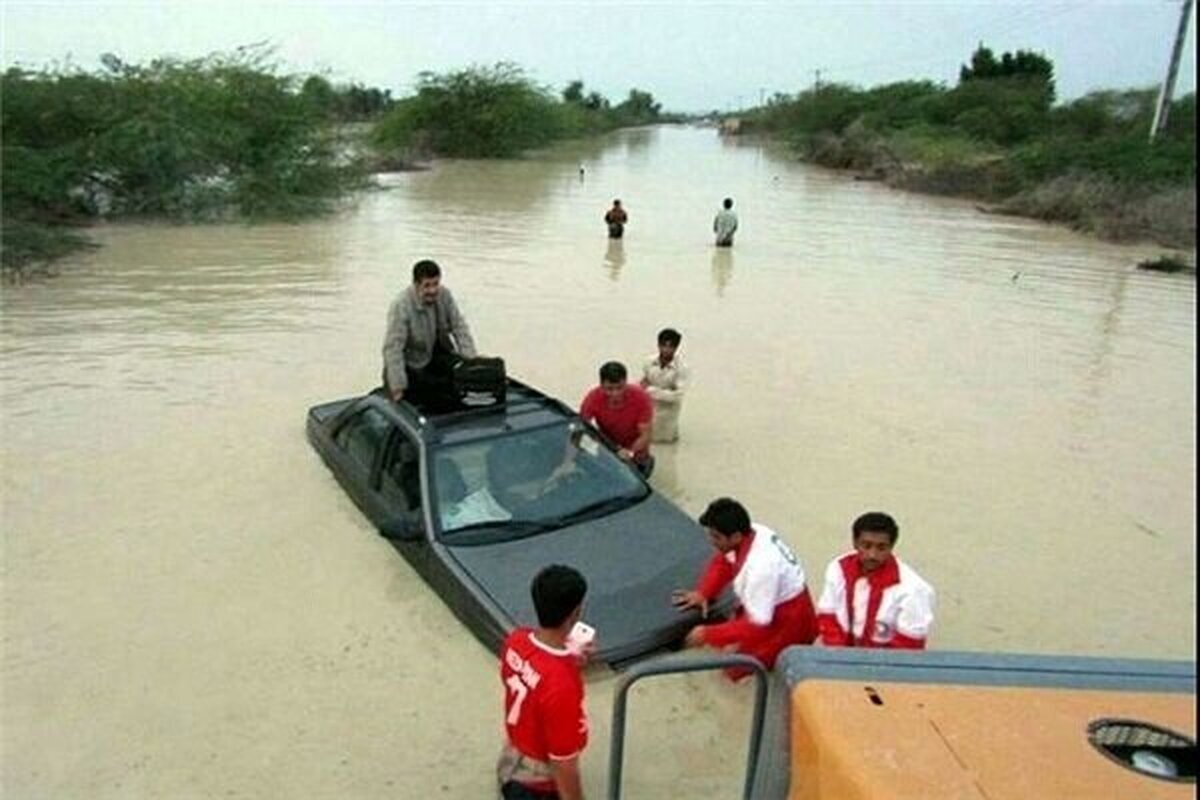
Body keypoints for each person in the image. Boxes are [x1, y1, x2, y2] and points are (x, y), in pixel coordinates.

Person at [672, 497, 818, 676]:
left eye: (716, 536)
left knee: (736, 670)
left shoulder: (761, 568)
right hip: (775, 602)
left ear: (735, 536)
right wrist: (704, 592)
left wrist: (707, 634)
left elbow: (758, 624)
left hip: (787, 618)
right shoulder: (753, 531)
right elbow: (724, 562)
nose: (711, 541)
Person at [498, 565, 592, 800]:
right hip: (538, 784)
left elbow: (534, 677)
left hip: (512, 755)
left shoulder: (515, 641)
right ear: (575, 613)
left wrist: (571, 662)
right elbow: (564, 764)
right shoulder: (561, 687)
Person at [816, 512, 936, 649]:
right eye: (866, 546)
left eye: (881, 548)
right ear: (855, 543)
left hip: (887, 666)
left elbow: (908, 647)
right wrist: (841, 660)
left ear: (892, 546)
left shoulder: (914, 589)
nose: (872, 555)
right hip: (842, 659)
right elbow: (828, 618)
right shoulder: (838, 568)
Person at [381, 259, 477, 411]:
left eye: (436, 284)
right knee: (430, 398)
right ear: (416, 285)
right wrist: (397, 386)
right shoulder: (401, 306)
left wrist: (472, 362)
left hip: (436, 355)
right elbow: (393, 348)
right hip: (411, 364)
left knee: (460, 383)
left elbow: (459, 328)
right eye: (427, 286)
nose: (432, 290)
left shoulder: (445, 295)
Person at [579, 361, 654, 477]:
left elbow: (646, 435)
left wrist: (629, 452)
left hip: (635, 452)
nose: (615, 394)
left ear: (626, 382)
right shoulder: (592, 399)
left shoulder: (641, 398)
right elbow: (580, 429)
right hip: (608, 448)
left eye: (620, 388)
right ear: (601, 385)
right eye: (609, 389)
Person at [640, 328, 689, 443]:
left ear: (676, 348)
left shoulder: (682, 368)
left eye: (670, 346)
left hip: (668, 417)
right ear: (658, 345)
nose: (666, 349)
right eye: (663, 345)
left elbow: (677, 396)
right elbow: (641, 384)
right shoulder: (648, 362)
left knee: (665, 444)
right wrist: (665, 392)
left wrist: (650, 389)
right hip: (648, 412)